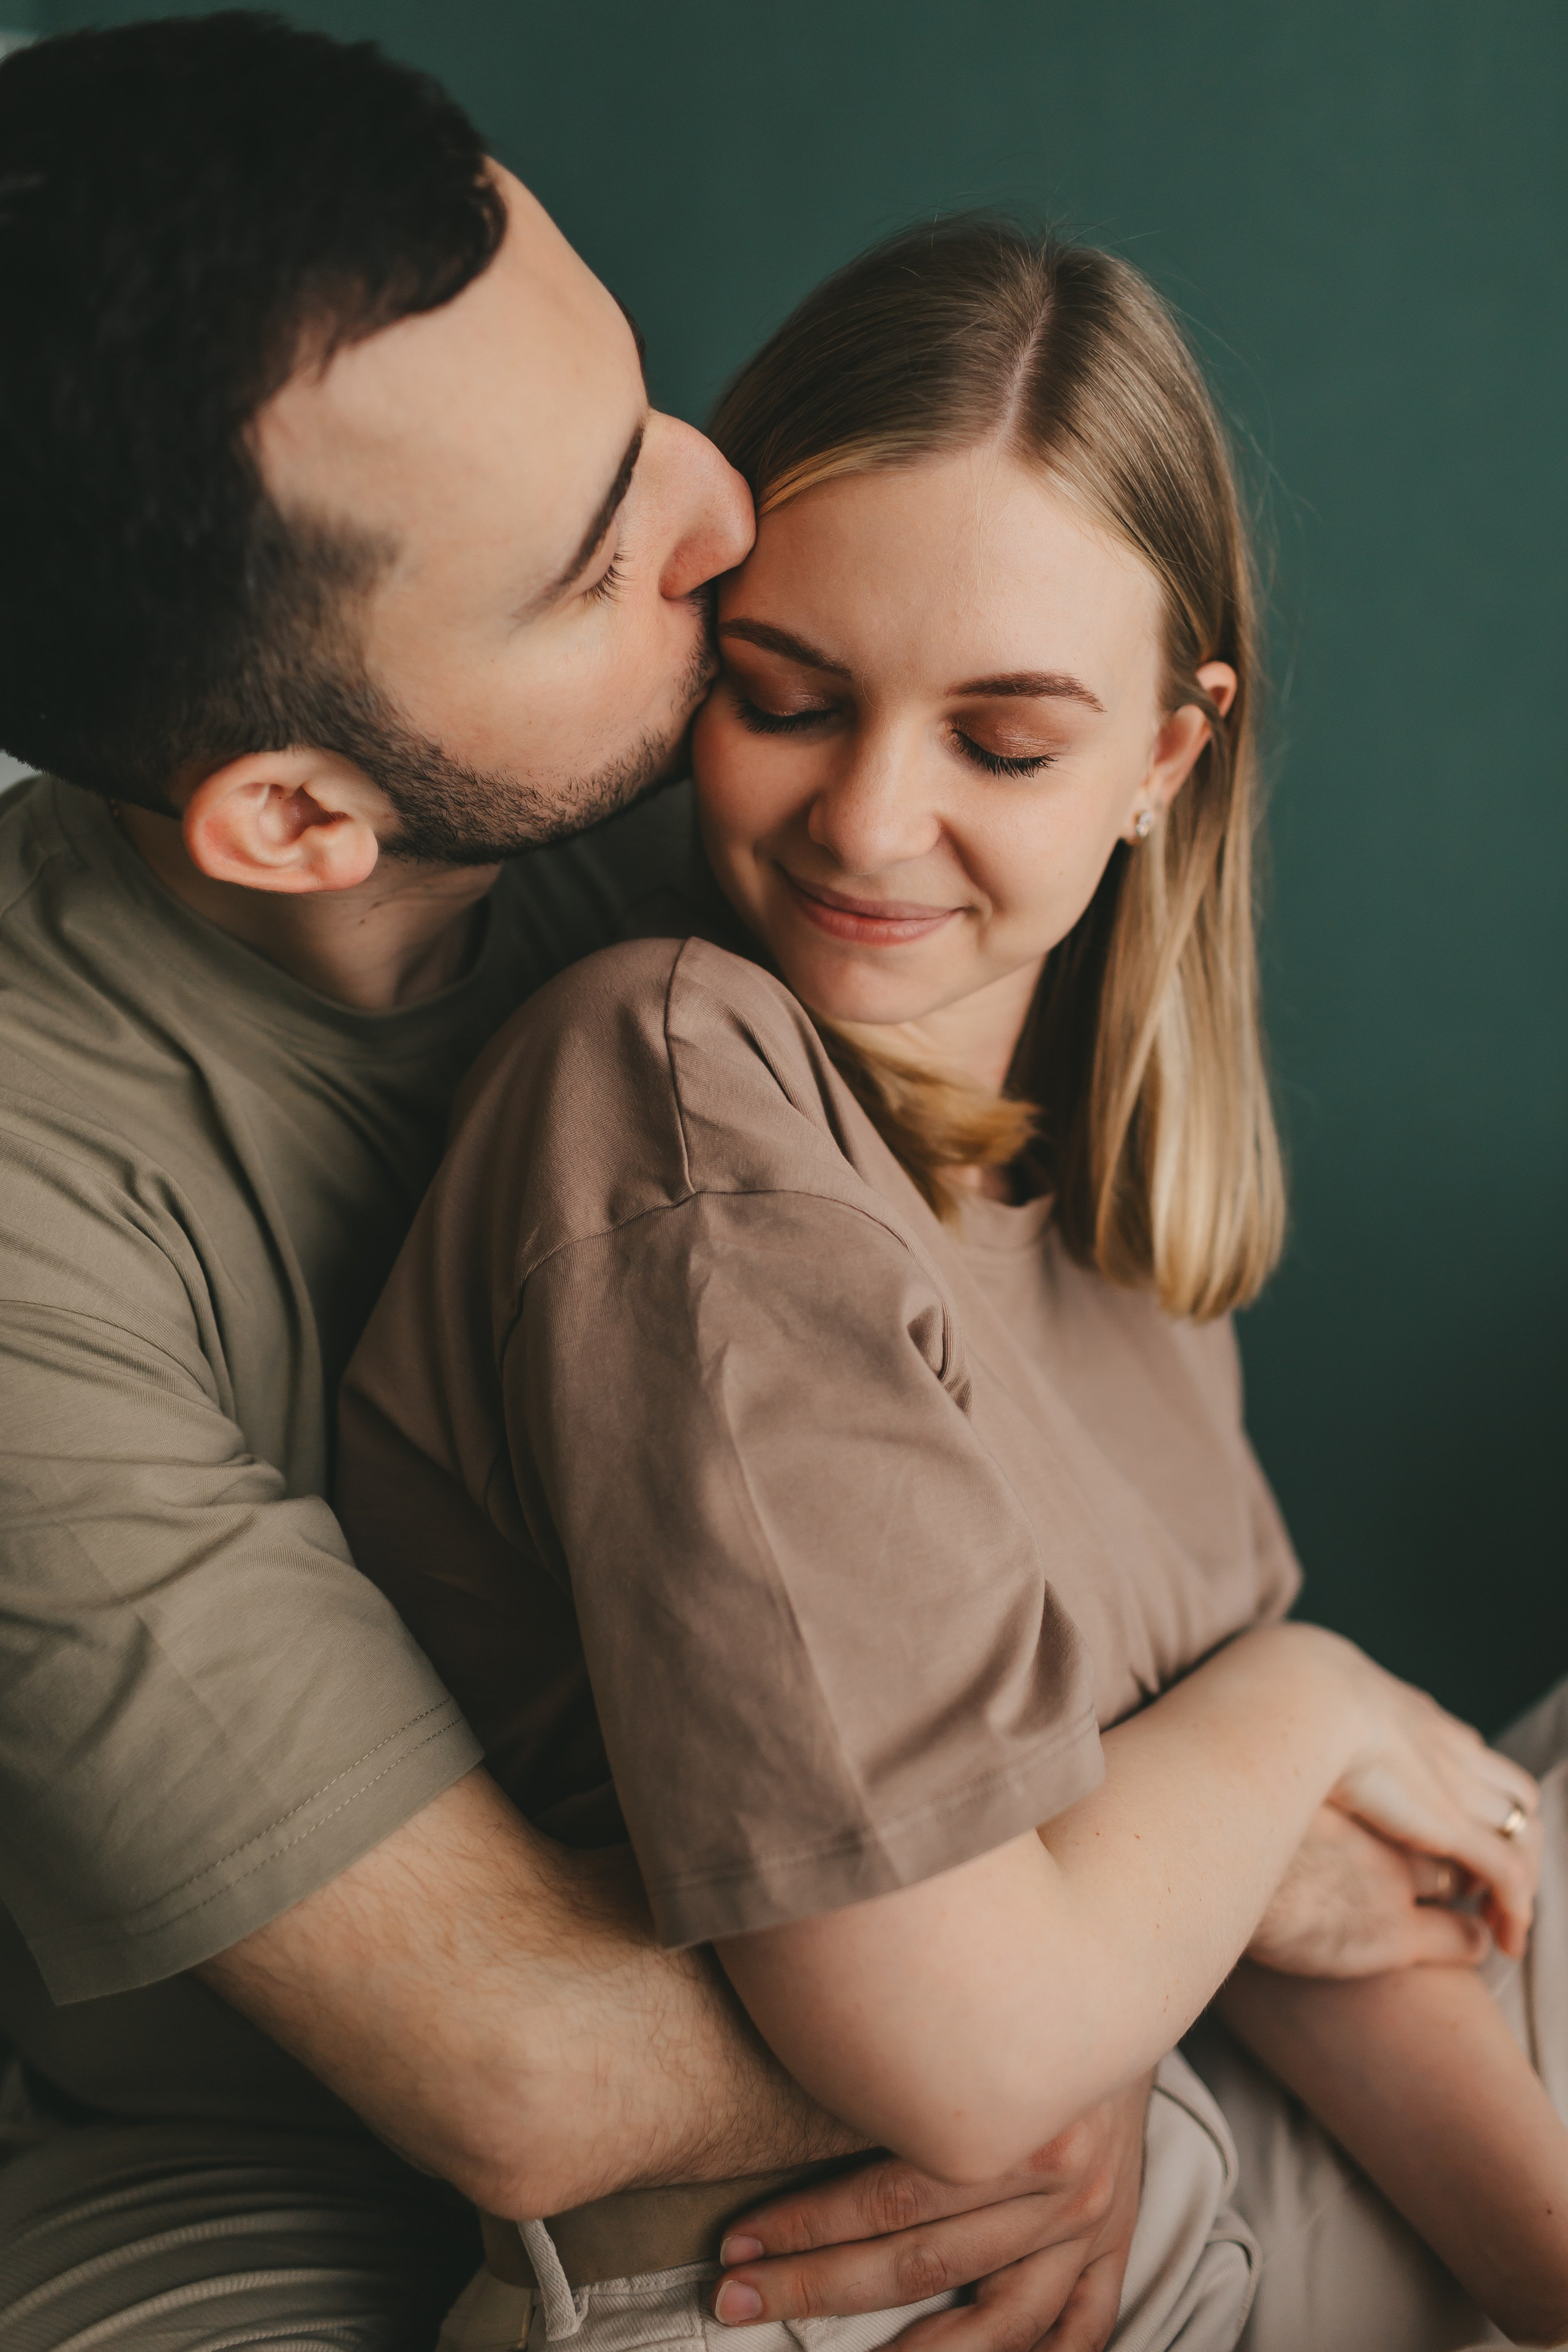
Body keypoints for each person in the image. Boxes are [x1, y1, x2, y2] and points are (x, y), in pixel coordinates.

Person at [0, 20, 1171, 2351]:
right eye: (589, 557)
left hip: (932, 1971)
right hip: (254, 2154)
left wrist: (1084, 1975)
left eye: (636, 404)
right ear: (301, 815)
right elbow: (516, 2070)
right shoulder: (35, 1197)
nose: (723, 512)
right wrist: (1086, 1980)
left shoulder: (776, 784)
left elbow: (1089, 1479)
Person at [337, 221, 1568, 2352]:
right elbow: (978, 2055)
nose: (871, 821)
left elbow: (1324, 1900)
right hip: (857, 2291)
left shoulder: (1100, 1193)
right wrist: (1302, 1708)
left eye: (1004, 744)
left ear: (1169, 760)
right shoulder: (675, 1093)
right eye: (787, 698)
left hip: (1202, 2166)